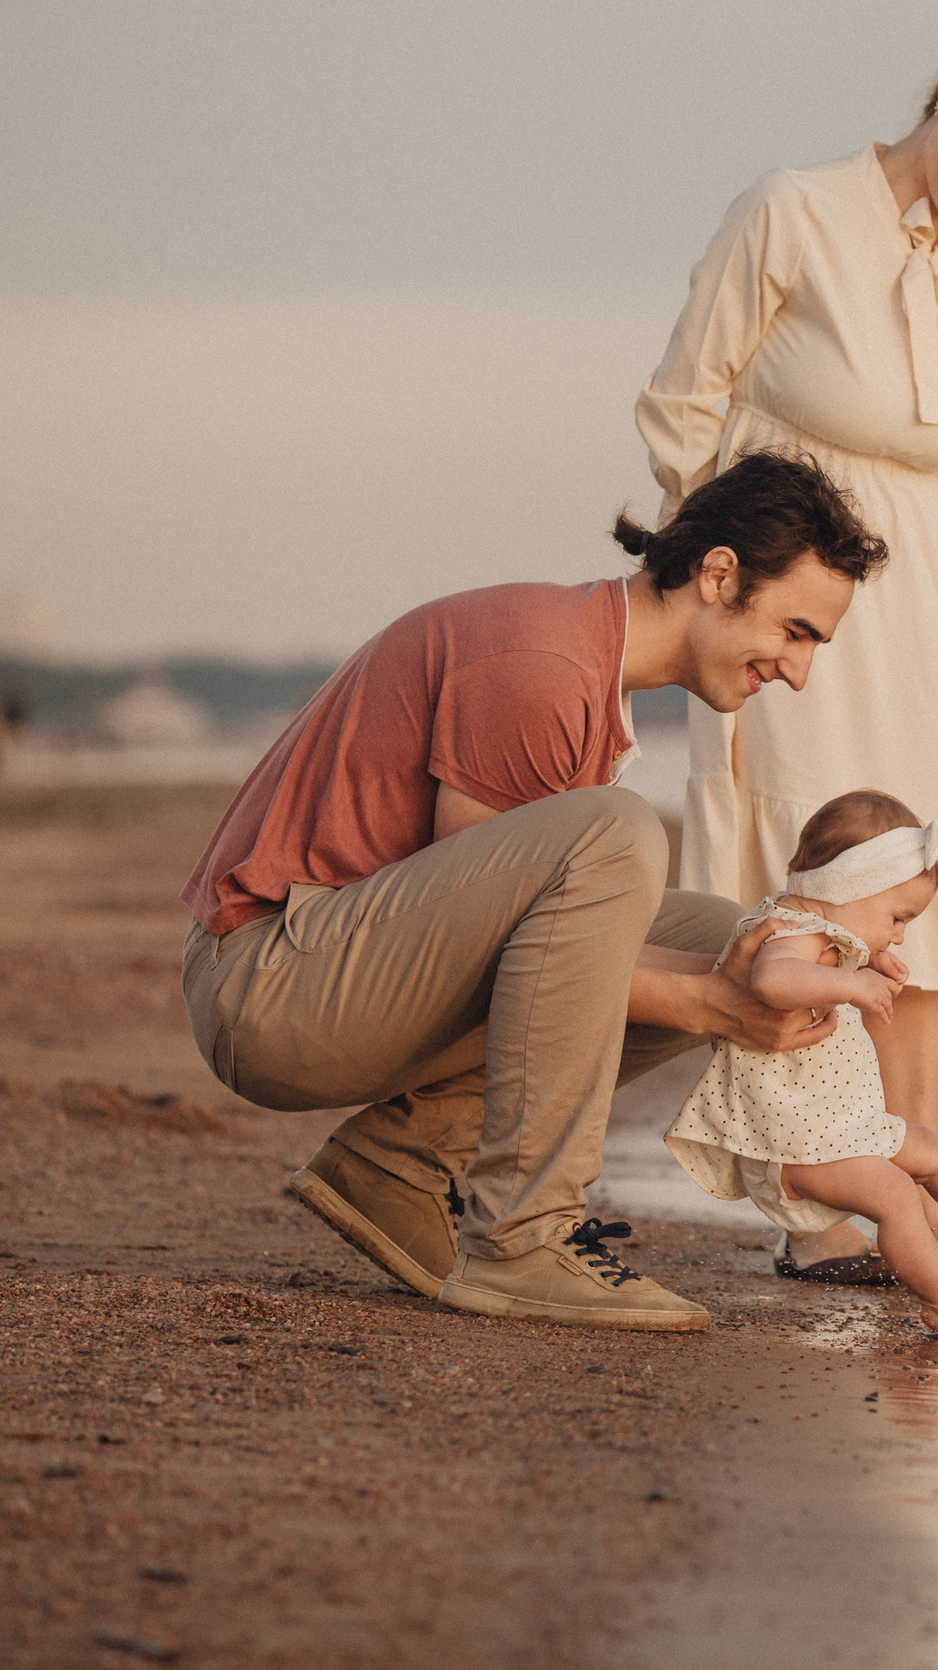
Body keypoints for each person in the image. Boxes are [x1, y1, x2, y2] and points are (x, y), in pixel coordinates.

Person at [179, 453, 886, 1332]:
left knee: (728, 936)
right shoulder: (543, 666)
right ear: (718, 575)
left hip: (333, 963)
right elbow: (510, 942)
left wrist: (738, 980)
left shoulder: (585, 660)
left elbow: (532, 947)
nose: (797, 669)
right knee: (619, 838)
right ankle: (523, 1231)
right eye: (795, 629)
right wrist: (713, 1008)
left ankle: (403, 1158)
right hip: (268, 986)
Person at [636, 26, 938, 1283]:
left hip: (917, 599)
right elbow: (683, 403)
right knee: (804, 898)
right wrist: (720, 586)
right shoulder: (791, 212)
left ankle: (915, 1196)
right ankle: (814, 1214)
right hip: (787, 594)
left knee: (912, 892)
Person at [663, 789, 938, 1346]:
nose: (899, 933)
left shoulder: (822, 932)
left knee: (927, 1150)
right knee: (895, 1193)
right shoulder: (786, 935)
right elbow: (774, 981)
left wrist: (862, 957)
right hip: (791, 1147)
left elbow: (828, 956)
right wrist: (851, 982)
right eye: (896, 917)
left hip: (834, 1130)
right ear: (850, 889)